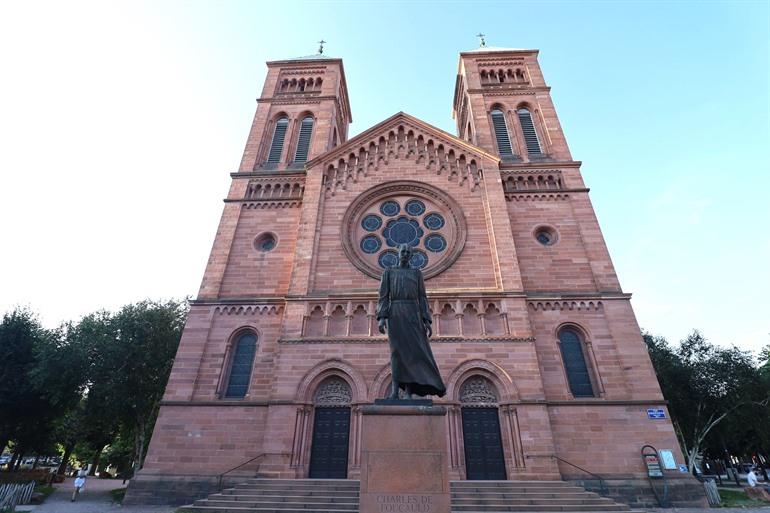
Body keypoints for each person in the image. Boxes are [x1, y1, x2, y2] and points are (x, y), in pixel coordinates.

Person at [377, 243, 446, 399]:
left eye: (408, 252)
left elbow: (422, 297)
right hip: (395, 312)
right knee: (397, 353)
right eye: (403, 251)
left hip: (413, 313)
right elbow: (383, 296)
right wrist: (382, 317)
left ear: (411, 255)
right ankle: (395, 391)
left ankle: (408, 392)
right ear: (398, 253)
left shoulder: (416, 273)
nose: (405, 253)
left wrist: (426, 319)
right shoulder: (388, 273)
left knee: (413, 353)